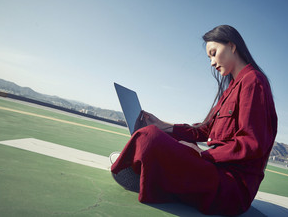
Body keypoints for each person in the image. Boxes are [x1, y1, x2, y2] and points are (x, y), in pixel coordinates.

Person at [110, 25, 277, 216]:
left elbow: (252, 143)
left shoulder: (254, 81)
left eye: (214, 53)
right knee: (163, 136)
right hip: (215, 170)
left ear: (232, 46)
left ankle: (145, 171)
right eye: (209, 57)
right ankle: (148, 170)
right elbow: (203, 131)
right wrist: (163, 125)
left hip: (231, 187)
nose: (212, 62)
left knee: (149, 137)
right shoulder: (231, 89)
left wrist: (202, 155)